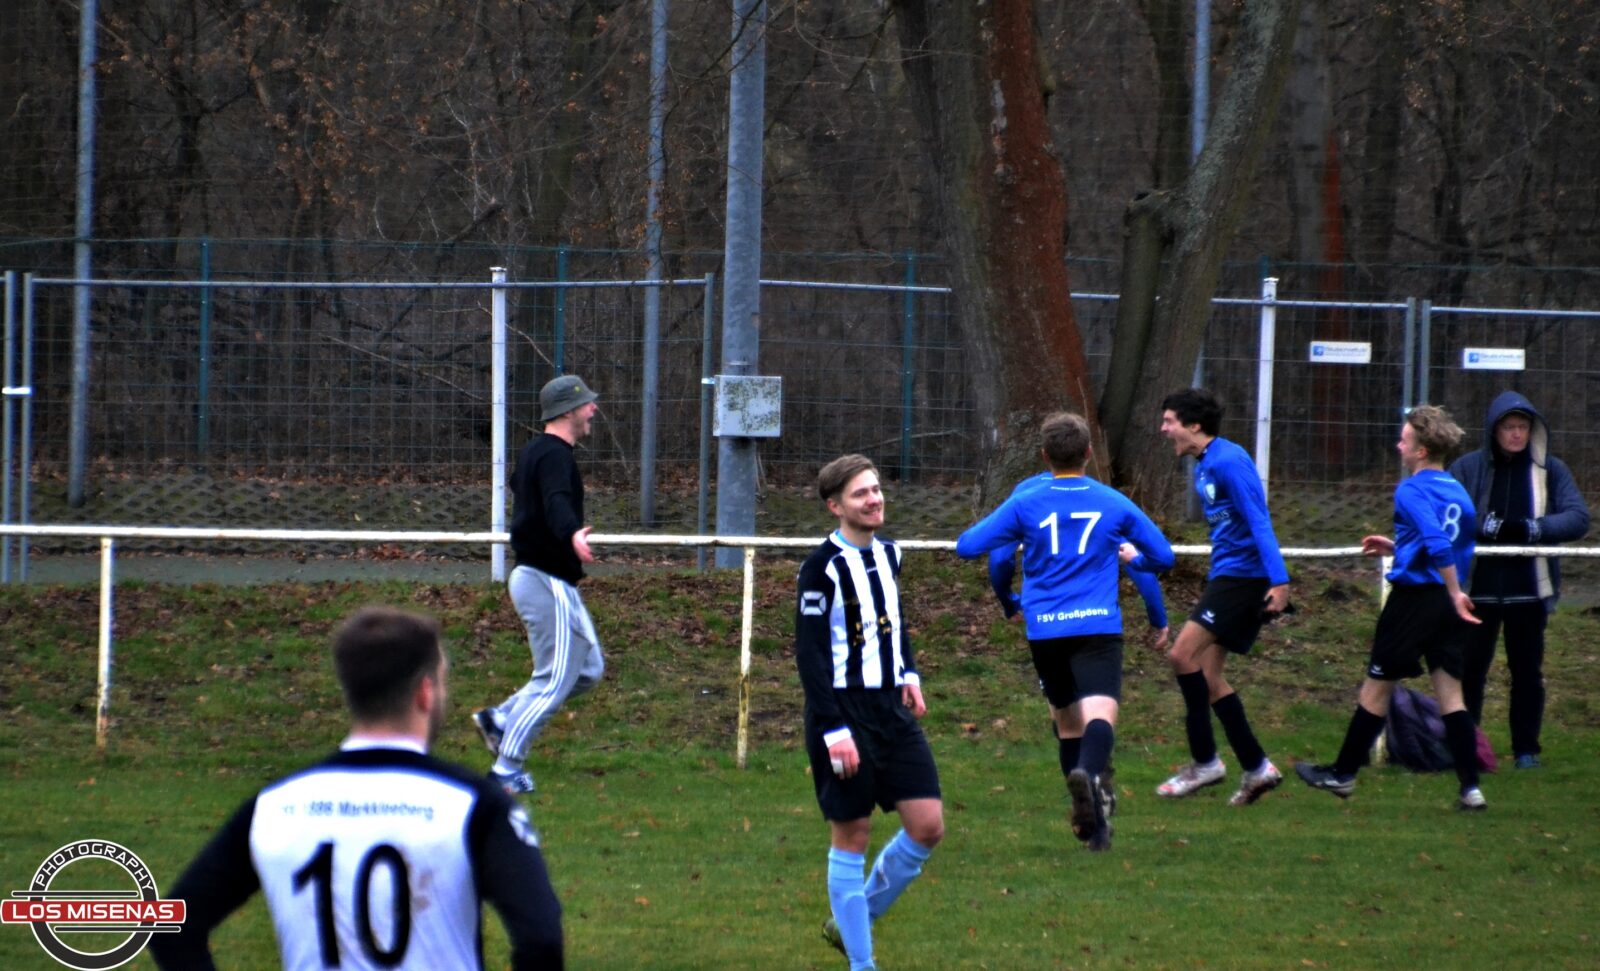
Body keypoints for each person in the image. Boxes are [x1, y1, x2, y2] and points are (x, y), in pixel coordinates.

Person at [150, 607, 564, 970]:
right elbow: (541, 940)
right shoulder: (476, 806)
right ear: (425, 692)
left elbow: (171, 928)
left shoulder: (272, 806)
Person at [957, 412, 1174, 851]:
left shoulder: (1026, 501)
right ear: (1089, 453)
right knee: (1100, 717)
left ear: (1044, 456)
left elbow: (967, 546)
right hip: (1097, 626)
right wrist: (1136, 561)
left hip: (1045, 630)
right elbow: (1164, 557)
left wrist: (1014, 561)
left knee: (1067, 724)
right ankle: (1090, 776)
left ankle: (1091, 825)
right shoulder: (1112, 501)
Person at [1296, 406, 1487, 810]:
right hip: (1445, 606)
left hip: (1416, 601)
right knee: (1451, 696)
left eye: (1404, 441)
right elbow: (1446, 544)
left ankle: (1342, 774)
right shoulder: (1456, 490)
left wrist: (1453, 590)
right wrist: (1401, 550)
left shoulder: (1411, 489)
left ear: (1420, 451)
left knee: (1376, 687)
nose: (1399, 445)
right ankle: (1471, 788)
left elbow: (1436, 543)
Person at [798, 454, 943, 971]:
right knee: (852, 834)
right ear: (836, 506)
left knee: (927, 825)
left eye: (877, 489)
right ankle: (863, 964)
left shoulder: (891, 555)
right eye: (861, 494)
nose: (874, 499)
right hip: (842, 713)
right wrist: (833, 727)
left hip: (891, 710)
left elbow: (893, 623)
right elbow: (810, 656)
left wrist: (909, 673)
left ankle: (850, 920)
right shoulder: (821, 569)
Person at [1154, 388, 1290, 806]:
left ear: (1194, 425)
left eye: (1169, 421)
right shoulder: (1205, 464)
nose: (1163, 429)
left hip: (1243, 579)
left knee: (1181, 656)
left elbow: (1259, 521)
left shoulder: (1229, 460)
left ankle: (1205, 762)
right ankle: (1257, 768)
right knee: (1210, 679)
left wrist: (1279, 581)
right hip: (1230, 576)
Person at [473, 373, 606, 794]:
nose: (593, 410)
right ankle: (506, 768)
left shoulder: (536, 452)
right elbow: (555, 501)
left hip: (547, 580)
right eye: (587, 404)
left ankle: (502, 718)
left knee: (588, 671)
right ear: (568, 411)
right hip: (545, 580)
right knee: (553, 680)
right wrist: (571, 533)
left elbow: (525, 490)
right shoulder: (554, 456)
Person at [1446, 391, 1590, 768]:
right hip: (1478, 590)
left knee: (1527, 673)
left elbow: (1578, 518)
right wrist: (1484, 526)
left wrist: (1533, 528)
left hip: (1529, 589)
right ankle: (1468, 747)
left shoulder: (1551, 470)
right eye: (1509, 427)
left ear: (1533, 430)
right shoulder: (1467, 467)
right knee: (1470, 671)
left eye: (1523, 427)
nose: (1516, 435)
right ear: (1494, 430)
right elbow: (1448, 515)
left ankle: (1526, 750)